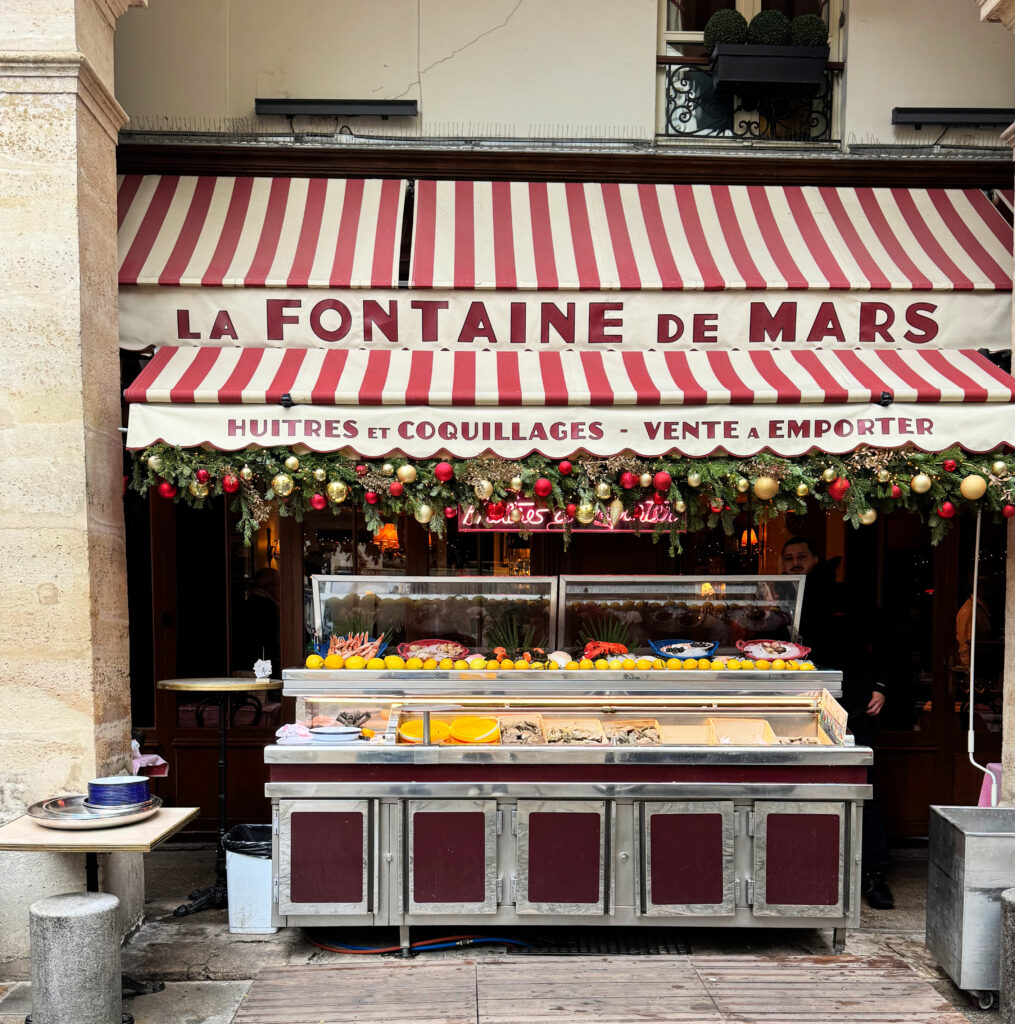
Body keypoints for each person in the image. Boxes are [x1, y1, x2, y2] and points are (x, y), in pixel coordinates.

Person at [781, 537, 893, 910]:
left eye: (802, 557)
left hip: (855, 705)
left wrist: (881, 685)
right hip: (799, 708)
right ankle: (804, 869)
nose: (796, 564)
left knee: (862, 790)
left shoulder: (848, 596)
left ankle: (874, 875)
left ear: (815, 558)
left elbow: (884, 641)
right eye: (790, 559)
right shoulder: (781, 600)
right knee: (802, 788)